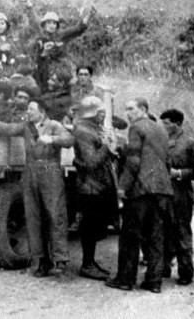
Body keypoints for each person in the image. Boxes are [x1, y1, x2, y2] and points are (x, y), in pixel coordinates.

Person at [0, 99, 74, 277]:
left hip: (50, 171)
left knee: (55, 215)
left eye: (31, 109)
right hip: (30, 173)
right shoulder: (26, 126)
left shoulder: (54, 125)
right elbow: (9, 129)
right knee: (33, 217)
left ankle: (60, 259)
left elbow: (69, 139)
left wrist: (53, 139)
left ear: (42, 111)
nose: (28, 112)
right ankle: (41, 261)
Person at [106, 98, 172, 294]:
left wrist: (122, 187)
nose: (127, 113)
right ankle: (154, 281)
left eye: (131, 109)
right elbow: (162, 159)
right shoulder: (161, 129)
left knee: (130, 236)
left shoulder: (136, 128)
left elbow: (134, 161)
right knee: (156, 237)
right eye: (126, 109)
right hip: (162, 189)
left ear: (143, 109)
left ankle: (125, 280)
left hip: (141, 190)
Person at [73, 96, 118, 281]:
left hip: (97, 185)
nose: (103, 116)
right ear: (90, 113)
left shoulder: (92, 129)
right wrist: (107, 147)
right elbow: (91, 162)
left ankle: (90, 263)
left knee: (94, 225)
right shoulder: (84, 131)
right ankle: (87, 265)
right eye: (100, 113)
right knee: (90, 226)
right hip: (90, 186)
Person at [160, 109, 194, 285]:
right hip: (163, 193)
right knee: (162, 231)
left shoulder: (190, 143)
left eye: (168, 123)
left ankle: (186, 272)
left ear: (178, 124)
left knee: (182, 232)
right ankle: (162, 267)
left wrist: (178, 173)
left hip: (181, 194)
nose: (164, 126)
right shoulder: (161, 140)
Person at [27, 8, 93, 93]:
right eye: (49, 22)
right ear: (44, 25)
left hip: (61, 68)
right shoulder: (39, 37)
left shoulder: (61, 35)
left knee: (68, 86)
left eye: (54, 23)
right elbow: (34, 22)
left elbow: (77, 29)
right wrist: (29, 7)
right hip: (43, 68)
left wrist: (87, 18)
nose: (52, 25)